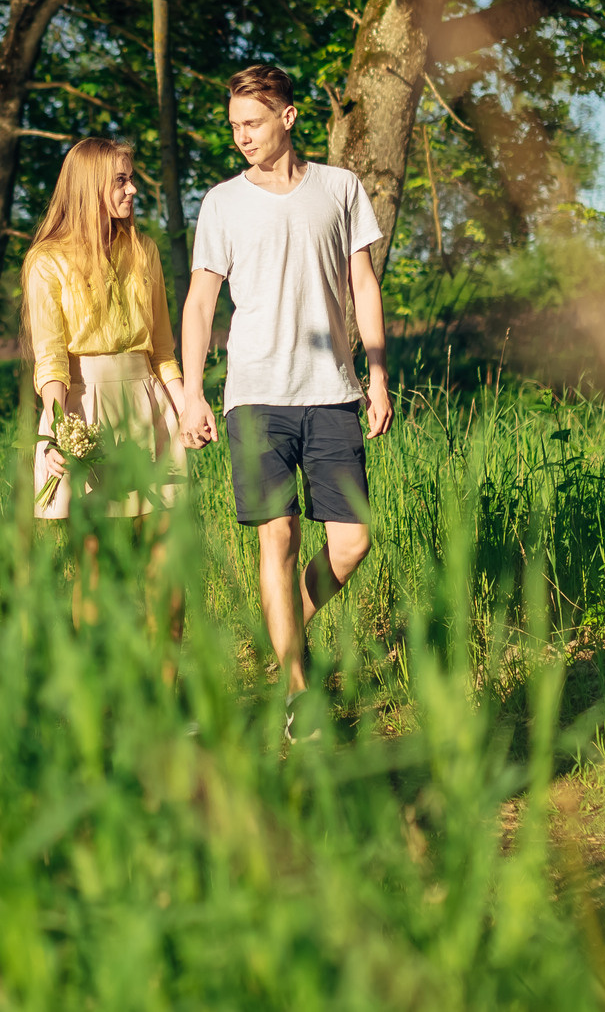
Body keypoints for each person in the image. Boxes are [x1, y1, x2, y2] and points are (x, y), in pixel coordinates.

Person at [177, 65, 392, 726]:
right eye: (234, 125)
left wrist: (377, 374)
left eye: (253, 122)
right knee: (280, 536)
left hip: (331, 391)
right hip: (254, 394)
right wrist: (192, 392)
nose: (242, 136)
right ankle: (300, 693)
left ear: (289, 117)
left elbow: (363, 284)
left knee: (352, 540)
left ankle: (282, 628)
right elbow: (200, 302)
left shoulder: (340, 188)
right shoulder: (222, 202)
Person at [24, 137, 187, 520]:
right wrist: (58, 432)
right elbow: (51, 361)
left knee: (162, 541)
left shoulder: (144, 250)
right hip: (84, 410)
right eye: (120, 181)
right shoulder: (47, 260)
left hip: (147, 404)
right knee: (95, 547)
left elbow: (162, 350)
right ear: (88, 186)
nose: (133, 189)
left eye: (131, 179)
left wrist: (187, 409)